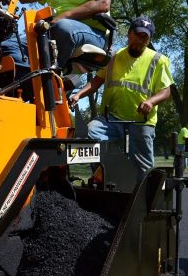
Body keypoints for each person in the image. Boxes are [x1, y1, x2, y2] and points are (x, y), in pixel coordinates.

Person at [68, 16, 173, 178]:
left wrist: (151, 102)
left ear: (149, 39)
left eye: (144, 37)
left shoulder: (158, 60)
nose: (139, 40)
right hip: (110, 120)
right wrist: (78, 95)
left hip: (140, 121)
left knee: (143, 168)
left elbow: (166, 92)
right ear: (129, 34)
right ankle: (103, 176)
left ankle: (144, 198)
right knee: (89, 136)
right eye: (137, 35)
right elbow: (96, 82)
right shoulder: (114, 57)